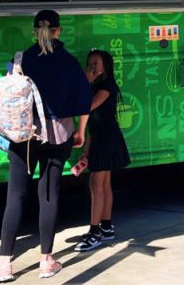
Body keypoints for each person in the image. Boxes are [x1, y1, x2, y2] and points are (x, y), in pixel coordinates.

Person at [0, 10, 92, 282]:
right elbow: (83, 100)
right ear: (58, 31)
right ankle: (46, 262)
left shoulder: (21, 60)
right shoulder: (69, 61)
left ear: (33, 32)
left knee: (15, 195)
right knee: (49, 193)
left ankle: (4, 263)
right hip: (59, 134)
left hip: (23, 136)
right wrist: (82, 132)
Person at [72, 49, 131, 252]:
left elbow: (87, 107)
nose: (93, 66)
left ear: (106, 65)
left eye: (97, 62)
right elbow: (92, 125)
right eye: (90, 63)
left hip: (107, 139)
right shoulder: (98, 85)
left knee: (97, 184)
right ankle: (106, 227)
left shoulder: (106, 86)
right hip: (101, 138)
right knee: (103, 184)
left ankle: (94, 232)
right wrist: (86, 151)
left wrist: (86, 82)